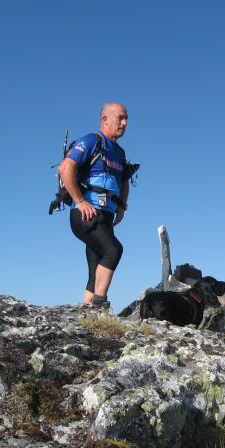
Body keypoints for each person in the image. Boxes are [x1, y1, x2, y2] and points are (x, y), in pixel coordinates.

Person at [57, 103, 133, 307]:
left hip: (106, 216)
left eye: (126, 119)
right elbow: (65, 168)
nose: (125, 123)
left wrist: (121, 206)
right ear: (105, 119)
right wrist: (80, 201)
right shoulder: (91, 141)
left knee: (96, 266)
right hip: (86, 214)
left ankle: (89, 311)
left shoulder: (119, 152)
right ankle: (100, 304)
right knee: (113, 250)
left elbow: (124, 180)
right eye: (120, 118)